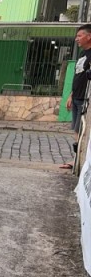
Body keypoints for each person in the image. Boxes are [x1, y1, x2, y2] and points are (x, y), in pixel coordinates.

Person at [61, 24, 91, 169]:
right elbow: (79, 76)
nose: (76, 39)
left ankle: (81, 161)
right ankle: (77, 159)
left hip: (87, 100)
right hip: (77, 97)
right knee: (77, 130)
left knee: (83, 130)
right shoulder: (82, 54)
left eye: (79, 36)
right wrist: (71, 95)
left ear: (89, 36)